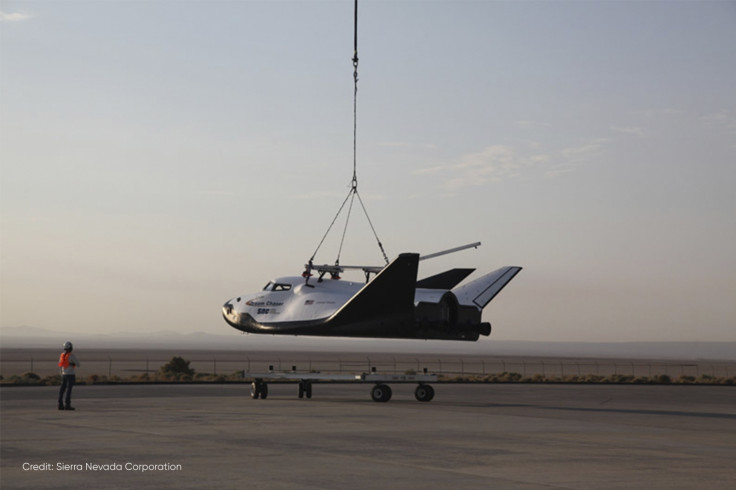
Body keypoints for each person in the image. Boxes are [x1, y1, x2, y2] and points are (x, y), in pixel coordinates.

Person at [58, 341, 80, 410]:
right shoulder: (71, 355)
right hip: (70, 375)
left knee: (62, 390)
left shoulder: (62, 355)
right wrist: (72, 364)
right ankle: (67, 405)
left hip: (63, 374)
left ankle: (60, 404)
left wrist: (61, 373)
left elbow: (60, 365)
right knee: (68, 390)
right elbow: (78, 364)